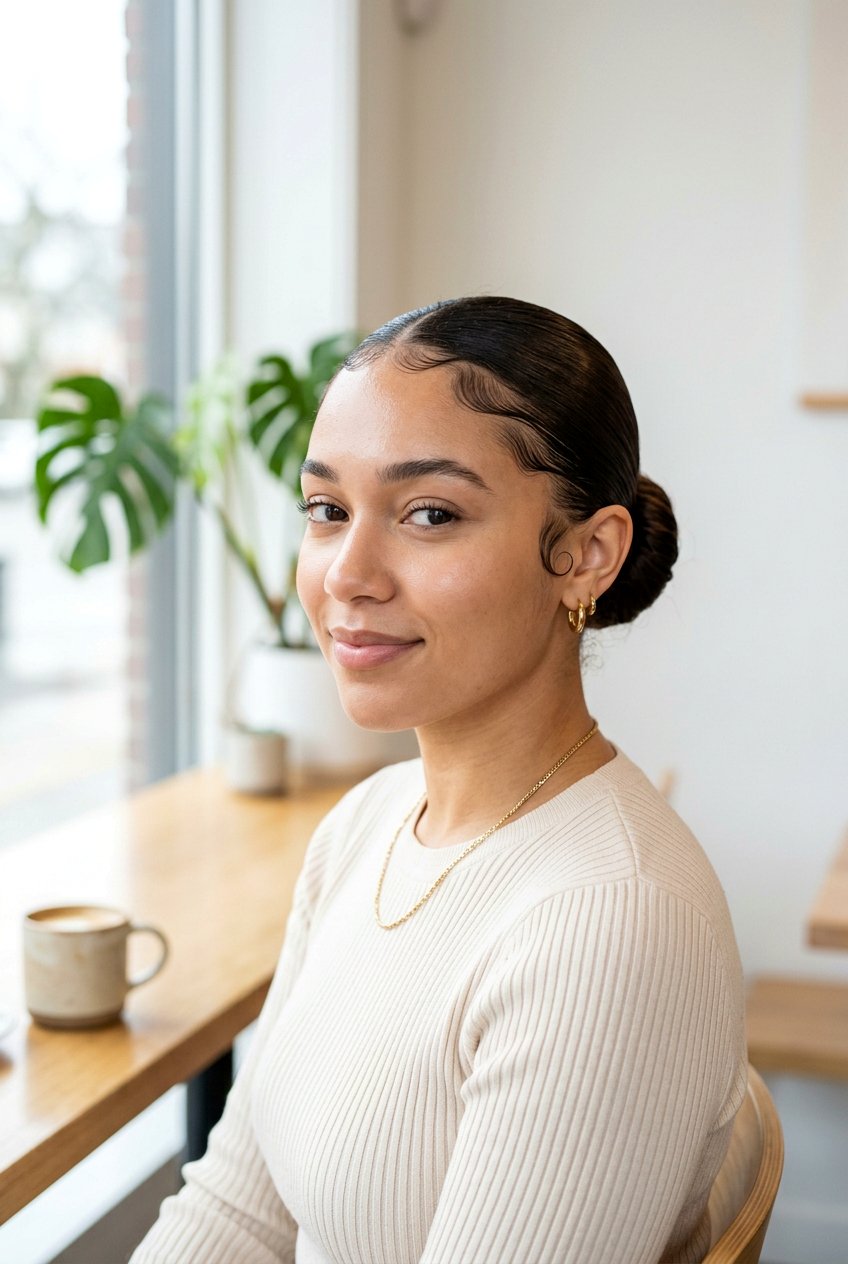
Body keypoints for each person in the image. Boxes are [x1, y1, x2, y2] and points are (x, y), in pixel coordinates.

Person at [131, 296, 746, 1264]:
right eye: (327, 510)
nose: (347, 574)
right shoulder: (368, 822)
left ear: (584, 555)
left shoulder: (610, 921)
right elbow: (239, 1209)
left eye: (429, 513)